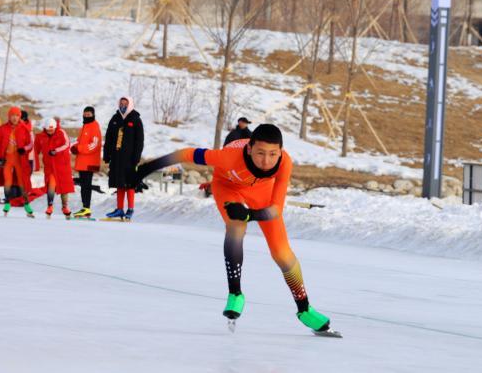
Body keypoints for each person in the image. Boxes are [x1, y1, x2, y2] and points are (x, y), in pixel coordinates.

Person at [135, 123, 333, 334]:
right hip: (228, 186)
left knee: (282, 254)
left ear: (281, 152)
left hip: (262, 195)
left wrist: (250, 214)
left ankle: (304, 309)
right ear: (249, 148)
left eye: (272, 154)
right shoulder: (229, 156)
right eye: (260, 153)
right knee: (236, 226)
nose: (266, 161)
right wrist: (145, 169)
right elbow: (185, 153)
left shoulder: (285, 163)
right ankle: (235, 293)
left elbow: (275, 210)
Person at [103, 96, 144, 220]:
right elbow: (109, 138)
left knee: (129, 184)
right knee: (119, 183)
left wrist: (136, 158)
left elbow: (139, 141)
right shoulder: (115, 119)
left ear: (130, 104)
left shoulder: (135, 119)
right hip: (116, 158)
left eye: (125, 103)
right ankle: (119, 209)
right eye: (121, 103)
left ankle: (130, 209)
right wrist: (107, 154)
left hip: (130, 158)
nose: (123, 105)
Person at [0, 106, 35, 217]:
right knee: (8, 181)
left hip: (20, 160)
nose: (15, 118)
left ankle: (26, 205)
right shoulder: (3, 128)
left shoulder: (24, 128)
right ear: (9, 116)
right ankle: (7, 202)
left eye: (17, 115)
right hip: (7, 159)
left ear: (19, 116)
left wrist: (24, 149)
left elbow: (31, 143)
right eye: (13, 115)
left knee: (22, 183)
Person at [34, 118, 75, 218]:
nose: (50, 132)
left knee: (64, 187)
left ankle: (65, 207)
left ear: (55, 128)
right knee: (51, 185)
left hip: (62, 165)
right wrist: (35, 165)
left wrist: (56, 150)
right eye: (48, 130)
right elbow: (35, 150)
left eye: (51, 130)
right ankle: (50, 206)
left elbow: (67, 145)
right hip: (50, 167)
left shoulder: (61, 133)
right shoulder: (40, 137)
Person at [71, 105, 102, 219]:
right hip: (83, 161)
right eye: (85, 114)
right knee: (84, 185)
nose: (86, 116)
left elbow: (94, 145)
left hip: (90, 162)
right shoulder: (85, 126)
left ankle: (87, 208)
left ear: (93, 115)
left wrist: (79, 148)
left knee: (86, 185)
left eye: (89, 114)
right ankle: (85, 208)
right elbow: (80, 142)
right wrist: (74, 147)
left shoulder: (94, 127)